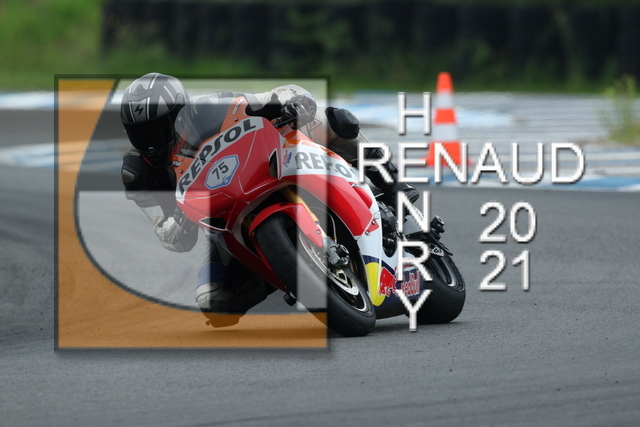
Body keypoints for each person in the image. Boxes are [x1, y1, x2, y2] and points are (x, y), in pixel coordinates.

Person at [120, 72, 418, 327]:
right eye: (140, 133)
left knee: (328, 120)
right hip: (223, 223)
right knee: (215, 302)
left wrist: (291, 102)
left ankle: (390, 182)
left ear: (177, 112)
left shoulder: (208, 107)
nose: (150, 141)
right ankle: (288, 267)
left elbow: (265, 99)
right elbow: (170, 238)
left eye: (157, 128)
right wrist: (178, 221)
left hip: (258, 170)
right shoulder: (138, 174)